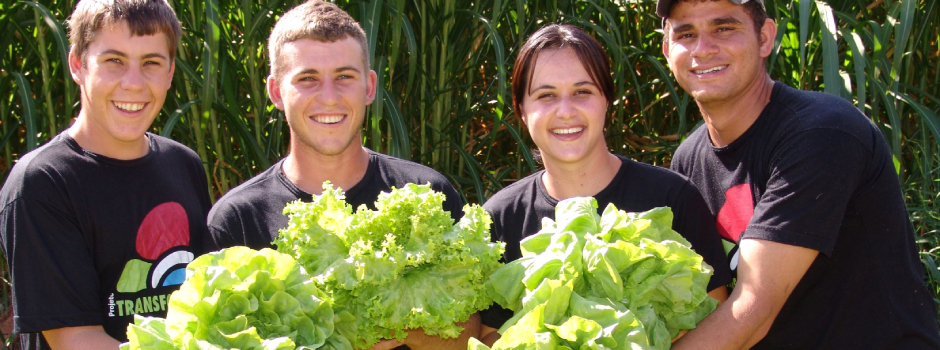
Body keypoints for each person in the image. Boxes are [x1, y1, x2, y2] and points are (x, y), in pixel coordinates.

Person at [657, 0, 940, 348]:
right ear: (668, 50)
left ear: (765, 38)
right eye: (686, 34)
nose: (704, 48)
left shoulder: (822, 132)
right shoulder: (689, 158)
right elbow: (701, 302)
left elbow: (753, 311)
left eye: (724, 28)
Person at [204, 1, 473, 349]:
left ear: (370, 87)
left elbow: (470, 334)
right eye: (307, 79)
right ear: (276, 92)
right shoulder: (238, 220)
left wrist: (393, 324)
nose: (329, 98)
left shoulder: (427, 194)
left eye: (345, 77)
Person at [477, 23, 732, 345]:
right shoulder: (499, 217)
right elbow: (487, 336)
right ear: (522, 111)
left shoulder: (671, 197)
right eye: (546, 96)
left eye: (582, 92)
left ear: (606, 101)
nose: (566, 111)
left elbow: (714, 314)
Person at [0, 1, 212, 349]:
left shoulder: (183, 164)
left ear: (171, 72)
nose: (133, 83)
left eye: (151, 63)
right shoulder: (43, 182)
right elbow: (74, 339)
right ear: (77, 65)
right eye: (114, 61)